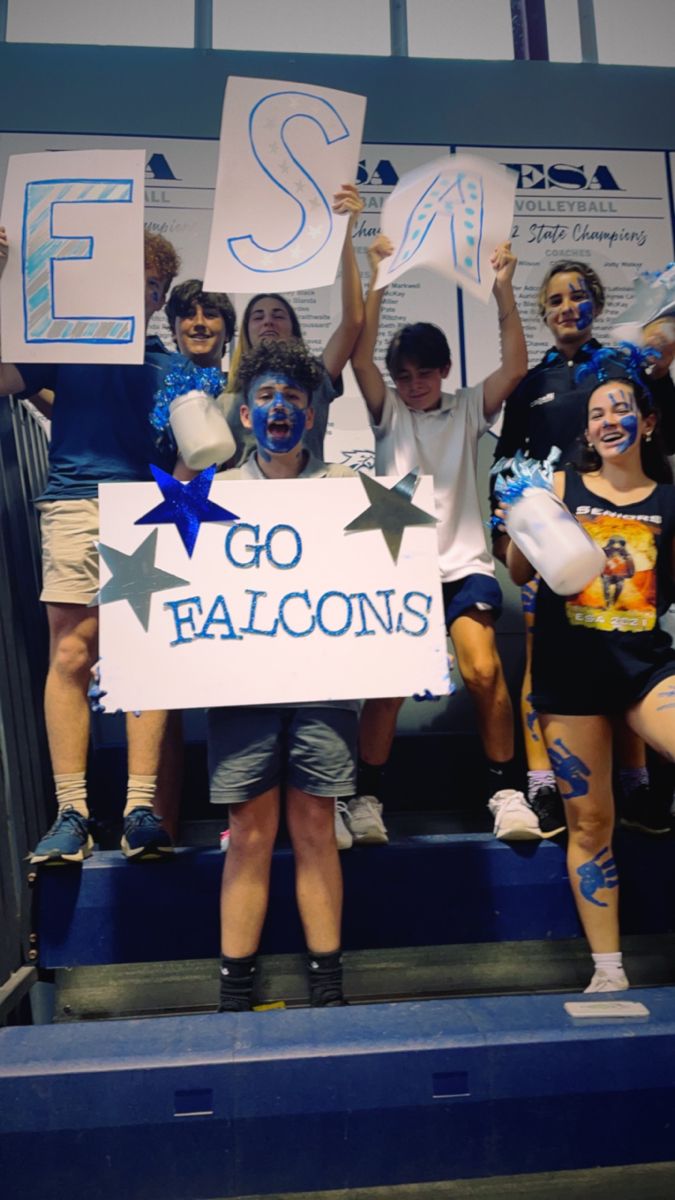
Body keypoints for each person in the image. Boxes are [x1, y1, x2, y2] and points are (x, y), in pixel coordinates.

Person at [0, 225, 182, 864]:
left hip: (144, 509)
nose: (141, 293)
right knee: (72, 652)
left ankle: (139, 808)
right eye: (130, 279)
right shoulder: (65, 346)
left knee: (142, 656)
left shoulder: (173, 368)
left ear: (161, 299)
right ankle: (71, 812)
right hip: (75, 501)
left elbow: (204, 452)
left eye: (152, 286)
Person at [345, 234, 533, 846]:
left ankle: (506, 791)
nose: (414, 383)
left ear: (445, 371)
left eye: (425, 372)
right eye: (404, 375)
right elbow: (361, 359)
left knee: (482, 671)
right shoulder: (388, 411)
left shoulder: (467, 407)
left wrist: (503, 289)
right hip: (401, 569)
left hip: (464, 565)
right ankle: (366, 799)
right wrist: (378, 276)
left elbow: (514, 368)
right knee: (390, 686)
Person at [501, 345, 675, 992]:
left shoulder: (667, 498)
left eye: (619, 409)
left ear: (646, 422)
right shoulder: (556, 489)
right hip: (569, 679)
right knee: (591, 821)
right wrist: (518, 520)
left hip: (642, 667)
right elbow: (519, 571)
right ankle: (607, 972)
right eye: (596, 413)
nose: (606, 420)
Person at [493, 260, 675, 837]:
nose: (566, 308)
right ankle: (544, 784)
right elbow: (506, 462)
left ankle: (635, 782)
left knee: (626, 644)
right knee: (542, 646)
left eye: (577, 297)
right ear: (543, 314)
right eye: (554, 301)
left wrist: (664, 372)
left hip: (629, 527)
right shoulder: (531, 383)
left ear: (596, 302)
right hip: (556, 534)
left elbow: (663, 431)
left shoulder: (624, 365)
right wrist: (510, 532)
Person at [208, 339, 357, 1011]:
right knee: (249, 834)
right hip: (243, 692)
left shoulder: (346, 491)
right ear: (243, 414)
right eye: (265, 396)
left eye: (293, 398)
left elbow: (378, 586)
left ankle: (328, 990)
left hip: (324, 692)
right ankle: (234, 995)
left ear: (312, 413)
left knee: (316, 828)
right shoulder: (213, 495)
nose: (278, 408)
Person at [220, 183, 365, 464]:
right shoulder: (226, 398)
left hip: (308, 499)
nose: (268, 322)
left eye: (278, 315)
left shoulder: (315, 379)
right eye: (257, 317)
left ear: (294, 330)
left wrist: (346, 235)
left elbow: (353, 321)